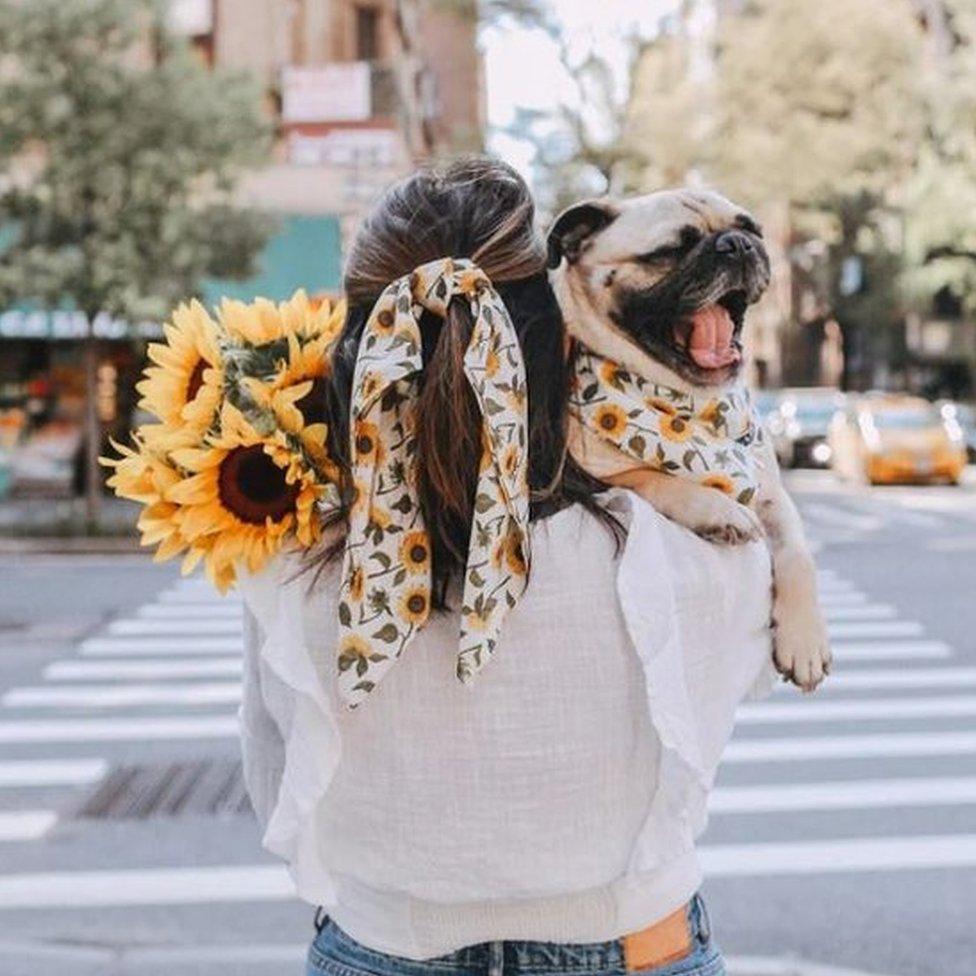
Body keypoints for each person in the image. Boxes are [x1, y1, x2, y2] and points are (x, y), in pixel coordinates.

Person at [238, 156, 775, 976]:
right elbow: (743, 672)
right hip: (630, 943)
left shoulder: (287, 556)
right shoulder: (674, 547)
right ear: (552, 338)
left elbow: (274, 778)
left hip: (384, 945)